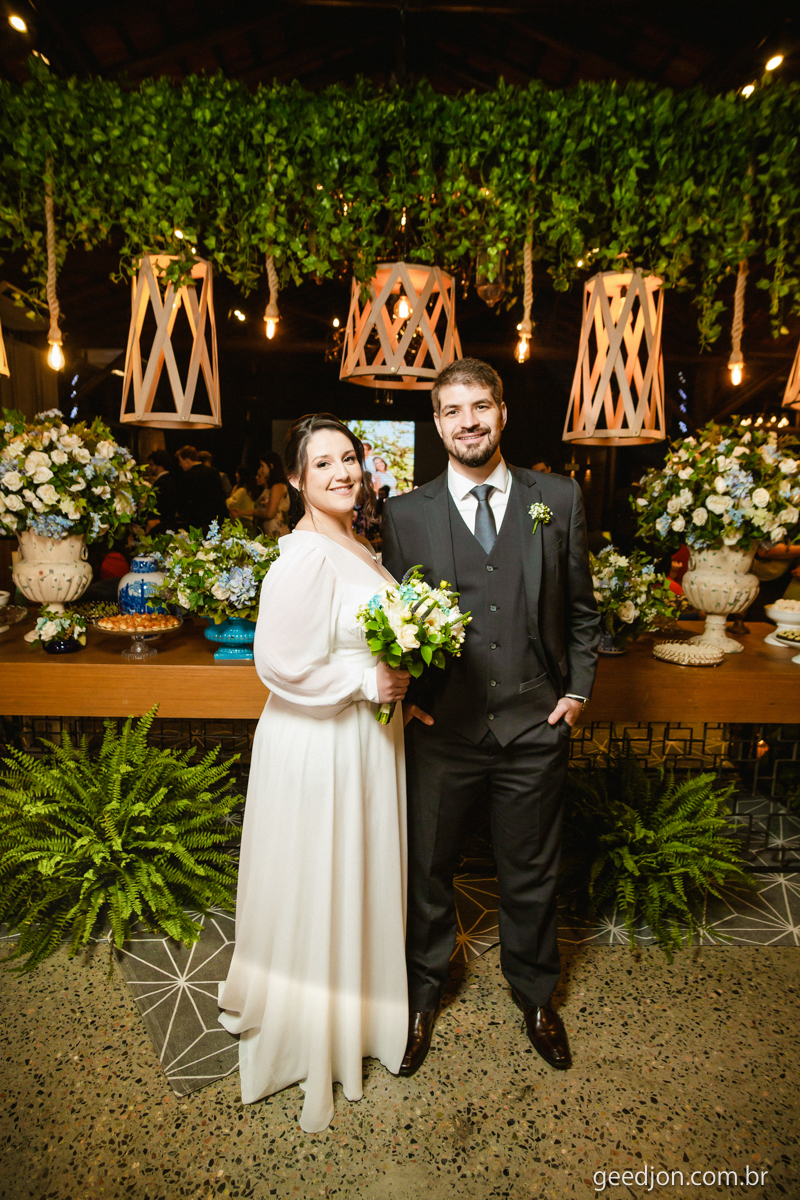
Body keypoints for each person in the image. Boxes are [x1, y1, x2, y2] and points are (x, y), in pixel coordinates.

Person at [381, 357, 600, 1078]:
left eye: (479, 406)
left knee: (530, 871)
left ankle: (535, 997)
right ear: (437, 423)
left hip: (535, 724)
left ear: (502, 413)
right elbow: (393, 619)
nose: (468, 422)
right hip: (443, 730)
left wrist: (577, 692)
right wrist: (406, 694)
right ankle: (420, 996)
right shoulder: (405, 514)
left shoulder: (556, 498)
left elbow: (582, 610)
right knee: (427, 872)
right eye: (452, 410)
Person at [218, 414, 411, 1133]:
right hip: (321, 742)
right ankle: (311, 1027)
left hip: (365, 740)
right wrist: (365, 683)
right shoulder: (302, 556)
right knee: (319, 871)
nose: (341, 472)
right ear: (296, 479)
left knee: (353, 869)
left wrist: (403, 684)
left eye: (349, 458)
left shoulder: (357, 544)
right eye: (323, 463)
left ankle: (357, 1011)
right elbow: (279, 665)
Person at [175, 445, 228, 534]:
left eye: (180, 461)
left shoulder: (186, 477)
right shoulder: (213, 471)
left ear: (187, 460)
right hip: (215, 520)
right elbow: (220, 497)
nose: (180, 464)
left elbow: (183, 503)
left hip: (197, 521)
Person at [253, 451, 292, 539]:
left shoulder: (277, 487)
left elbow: (270, 514)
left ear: (271, 466)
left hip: (276, 533)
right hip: (270, 531)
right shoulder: (271, 487)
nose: (261, 469)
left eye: (262, 466)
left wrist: (250, 512)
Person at [146, 449, 178, 536]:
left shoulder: (162, 483)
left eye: (152, 465)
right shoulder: (170, 480)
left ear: (160, 466)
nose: (149, 468)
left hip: (160, 526)